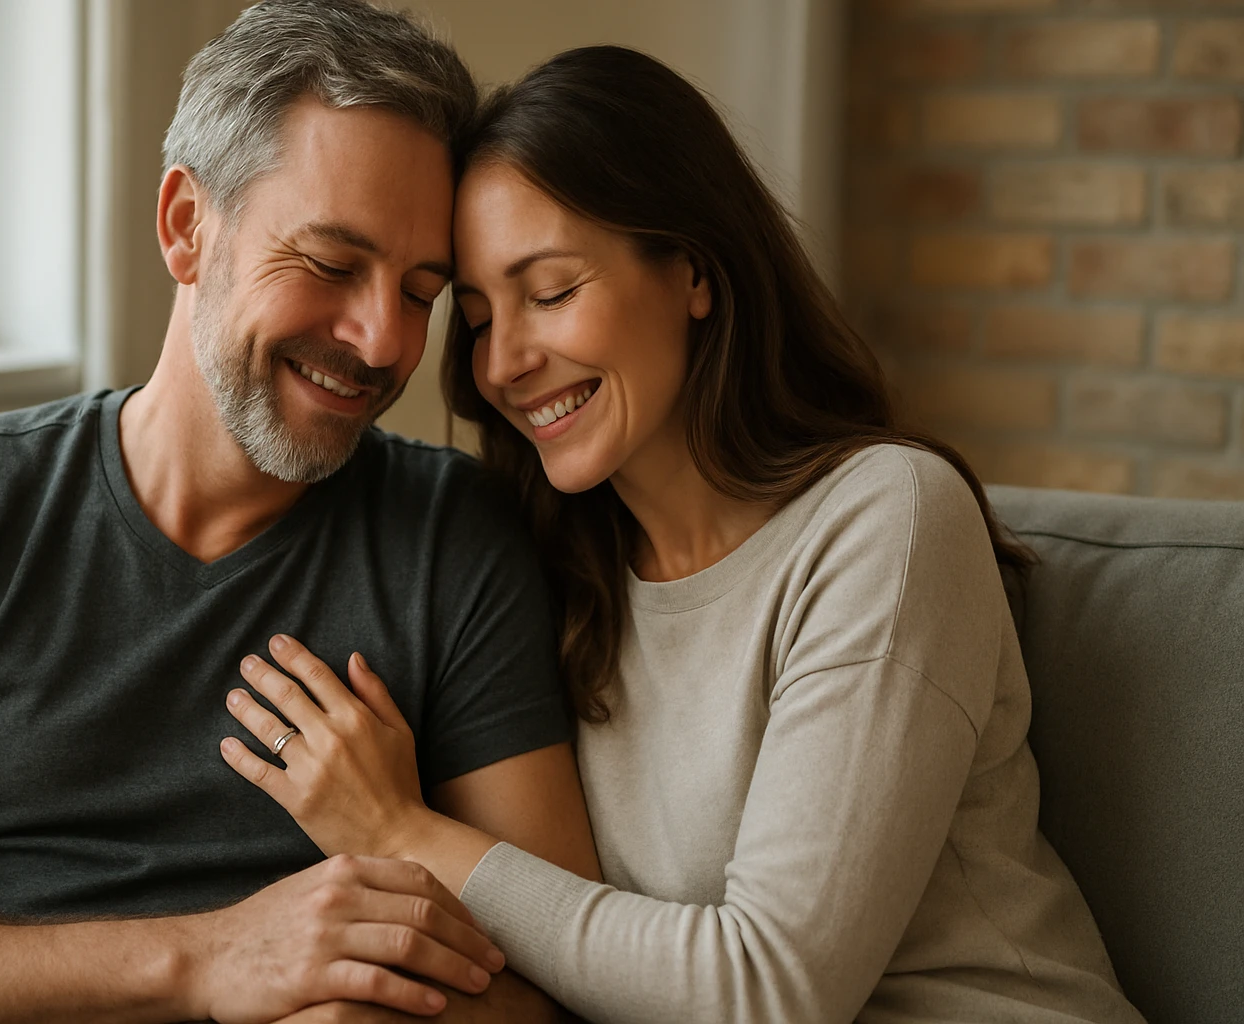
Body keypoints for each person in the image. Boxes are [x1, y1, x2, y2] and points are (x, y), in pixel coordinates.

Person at [219, 46, 1148, 1024]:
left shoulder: (889, 520)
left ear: (694, 270)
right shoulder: (568, 568)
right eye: (481, 317)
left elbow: (767, 993)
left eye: (552, 290)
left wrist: (399, 829)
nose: (507, 362)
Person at [0, 4, 601, 1023]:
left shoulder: (449, 536)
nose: (381, 342)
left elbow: (559, 978)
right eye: (329, 264)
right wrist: (209, 955)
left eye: (420, 290)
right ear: (187, 226)